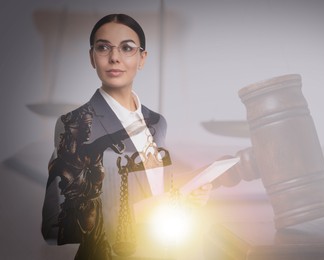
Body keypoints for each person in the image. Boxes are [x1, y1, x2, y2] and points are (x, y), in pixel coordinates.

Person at [41, 13, 212, 260]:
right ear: (92, 57)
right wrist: (127, 212)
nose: (114, 57)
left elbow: (157, 195)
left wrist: (186, 200)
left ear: (142, 58)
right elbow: (53, 226)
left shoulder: (157, 123)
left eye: (127, 48)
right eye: (103, 48)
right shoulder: (75, 124)